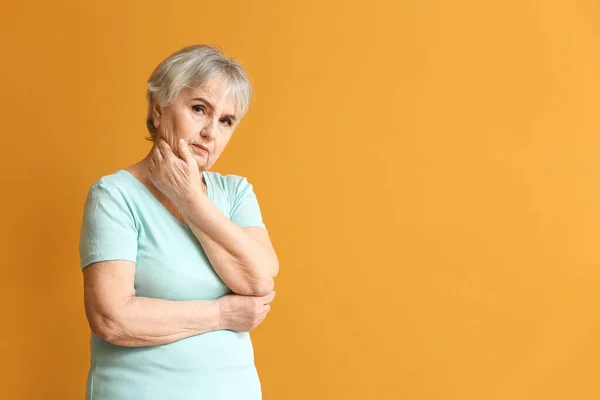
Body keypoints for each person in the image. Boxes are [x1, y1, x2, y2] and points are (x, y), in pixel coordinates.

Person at [78, 44, 279, 400]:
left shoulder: (235, 193)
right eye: (199, 109)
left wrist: (191, 201)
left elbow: (260, 278)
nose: (210, 132)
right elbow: (112, 318)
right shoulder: (114, 195)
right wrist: (221, 314)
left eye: (226, 120)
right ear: (158, 109)